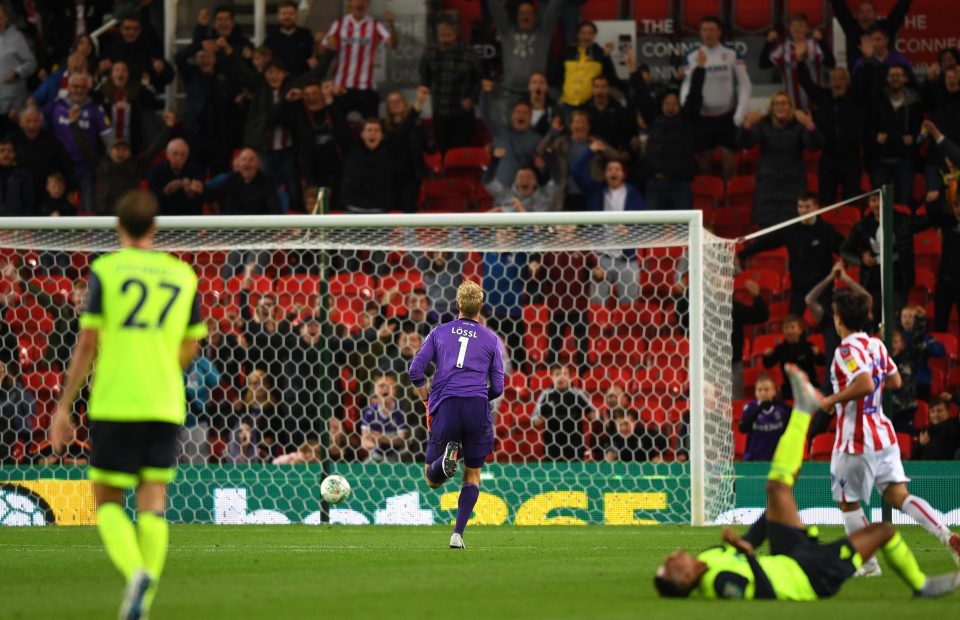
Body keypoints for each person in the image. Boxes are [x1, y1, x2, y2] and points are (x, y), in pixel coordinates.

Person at [654, 363, 960, 600]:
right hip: (809, 575)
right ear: (684, 579)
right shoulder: (718, 584)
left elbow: (748, 544)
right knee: (883, 531)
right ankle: (922, 585)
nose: (671, 557)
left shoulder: (707, 558)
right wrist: (747, 552)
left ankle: (802, 409)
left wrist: (761, 529)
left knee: (776, 489)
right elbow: (760, 590)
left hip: (788, 553)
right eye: (670, 566)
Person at [49, 189, 206, 619]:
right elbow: (191, 344)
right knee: (153, 499)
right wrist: (159, 364)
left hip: (116, 398)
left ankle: (134, 571)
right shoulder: (182, 276)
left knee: (106, 500)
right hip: (163, 400)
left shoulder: (107, 271)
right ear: (155, 227)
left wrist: (64, 406)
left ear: (118, 228)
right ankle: (144, 602)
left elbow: (87, 342)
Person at [818, 291, 959, 576]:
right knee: (899, 495)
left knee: (848, 501)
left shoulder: (846, 350)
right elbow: (893, 380)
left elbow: (866, 384)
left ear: (838, 318)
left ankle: (868, 564)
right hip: (883, 434)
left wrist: (832, 400)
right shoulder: (877, 346)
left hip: (855, 439)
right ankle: (948, 536)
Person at [408, 281, 504, 549]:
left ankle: (446, 460)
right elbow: (498, 387)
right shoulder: (491, 339)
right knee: (472, 475)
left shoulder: (440, 332)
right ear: (480, 306)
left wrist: (428, 399)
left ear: (458, 305)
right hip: (477, 406)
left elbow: (415, 371)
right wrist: (479, 398)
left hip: (446, 405)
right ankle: (457, 534)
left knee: (432, 479)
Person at [739, 193, 843, 315]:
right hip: (799, 288)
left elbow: (844, 248)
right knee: (793, 323)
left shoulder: (826, 230)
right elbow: (766, 243)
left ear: (816, 207)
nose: (803, 211)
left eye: (807, 207)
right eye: (800, 207)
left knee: (826, 324)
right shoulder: (791, 229)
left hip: (822, 288)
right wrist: (742, 255)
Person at [681, 15, 752, 180]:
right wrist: (687, 109)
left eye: (712, 30)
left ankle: (731, 200)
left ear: (719, 32)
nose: (708, 33)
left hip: (727, 117)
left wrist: (739, 114)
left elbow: (745, 84)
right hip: (702, 119)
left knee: (730, 163)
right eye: (705, 30)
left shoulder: (731, 54)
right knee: (704, 165)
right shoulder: (691, 56)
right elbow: (686, 85)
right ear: (700, 33)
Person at [796, 44, 868, 203]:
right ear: (829, 82)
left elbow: (866, 78)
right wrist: (800, 61)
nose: (838, 82)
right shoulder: (823, 97)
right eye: (834, 79)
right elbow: (805, 82)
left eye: (842, 78)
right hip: (828, 157)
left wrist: (867, 59)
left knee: (852, 200)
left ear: (848, 81)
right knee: (825, 201)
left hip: (851, 157)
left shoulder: (856, 98)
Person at [637, 49, 705, 211]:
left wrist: (701, 69)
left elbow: (695, 95)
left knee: (684, 230)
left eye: (674, 102)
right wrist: (633, 71)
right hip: (655, 183)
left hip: (680, 184)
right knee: (654, 228)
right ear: (661, 104)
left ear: (679, 105)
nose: (670, 105)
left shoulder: (687, 120)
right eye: (667, 102)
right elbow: (642, 96)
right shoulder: (654, 119)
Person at [740, 93, 822, 228]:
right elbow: (745, 143)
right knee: (767, 235)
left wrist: (809, 125)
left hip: (793, 187)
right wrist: (747, 125)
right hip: (768, 189)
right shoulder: (763, 124)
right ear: (771, 107)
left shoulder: (799, 126)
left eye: (784, 103)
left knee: (792, 234)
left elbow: (814, 146)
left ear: (791, 107)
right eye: (777, 104)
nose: (781, 107)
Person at [42, 72, 112, 213]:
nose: (78, 90)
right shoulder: (57, 105)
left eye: (82, 87)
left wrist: (109, 162)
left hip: (86, 167)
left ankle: (91, 235)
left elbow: (109, 136)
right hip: (61, 168)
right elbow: (37, 118)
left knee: (88, 209)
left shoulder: (95, 108)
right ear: (68, 87)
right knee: (61, 209)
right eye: (75, 86)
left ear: (87, 89)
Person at [322, 0, 398, 118]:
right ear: (350, 3)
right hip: (341, 86)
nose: (360, 3)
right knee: (339, 128)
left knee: (372, 125)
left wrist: (392, 25)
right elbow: (323, 48)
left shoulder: (374, 24)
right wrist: (328, 43)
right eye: (356, 0)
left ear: (368, 4)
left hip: (366, 87)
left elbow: (392, 44)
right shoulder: (339, 24)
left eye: (364, 0)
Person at [918, 121, 960, 332]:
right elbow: (933, 211)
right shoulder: (948, 220)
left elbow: (954, 154)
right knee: (940, 327)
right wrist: (938, 195)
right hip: (945, 282)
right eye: (957, 206)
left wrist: (936, 133)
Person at [483, 0, 564, 105]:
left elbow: (554, 9)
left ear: (535, 16)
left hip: (535, 92)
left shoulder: (544, 34)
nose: (525, 16)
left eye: (529, 13)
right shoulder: (506, 32)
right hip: (509, 92)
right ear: (517, 16)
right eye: (522, 13)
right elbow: (496, 9)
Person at [418, 21, 480, 154]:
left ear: (456, 34)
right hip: (440, 110)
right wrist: (424, 90)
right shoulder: (430, 52)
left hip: (462, 111)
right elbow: (424, 76)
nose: (445, 39)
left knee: (464, 150)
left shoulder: (468, 52)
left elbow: (480, 79)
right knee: (443, 150)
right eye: (442, 35)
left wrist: (472, 98)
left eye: (448, 35)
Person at [866, 63, 922, 206]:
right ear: (887, 78)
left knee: (904, 202)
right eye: (892, 75)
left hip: (905, 159)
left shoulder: (915, 102)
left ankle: (902, 229)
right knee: (881, 204)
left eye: (898, 75)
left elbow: (919, 130)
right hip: (880, 159)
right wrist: (875, 136)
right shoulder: (877, 100)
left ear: (905, 78)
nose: (895, 79)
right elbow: (868, 128)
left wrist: (914, 138)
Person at [760, 14, 834, 112]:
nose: (797, 29)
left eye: (801, 26)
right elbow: (763, 64)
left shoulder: (815, 46)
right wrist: (768, 42)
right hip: (792, 107)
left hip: (815, 105)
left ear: (807, 29)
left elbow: (831, 63)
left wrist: (822, 41)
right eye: (794, 26)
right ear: (789, 29)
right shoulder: (783, 48)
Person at [480, 78, 541, 189]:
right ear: (512, 116)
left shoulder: (536, 139)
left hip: (525, 193)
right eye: (518, 112)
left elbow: (541, 168)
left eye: (525, 112)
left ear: (531, 118)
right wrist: (486, 93)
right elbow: (486, 115)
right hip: (501, 193)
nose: (521, 115)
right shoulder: (499, 132)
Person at [10, 106, 74, 206]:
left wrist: (71, 189)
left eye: (36, 121)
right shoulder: (11, 141)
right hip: (19, 195)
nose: (32, 125)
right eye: (28, 121)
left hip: (47, 197)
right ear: (21, 123)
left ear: (41, 123)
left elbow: (66, 165)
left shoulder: (52, 141)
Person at [531, 365, 594, 461]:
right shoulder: (546, 394)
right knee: (553, 473)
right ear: (552, 377)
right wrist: (537, 421)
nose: (561, 377)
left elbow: (593, 413)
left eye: (564, 374)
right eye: (557, 374)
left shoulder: (577, 393)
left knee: (575, 472)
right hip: (552, 443)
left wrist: (593, 416)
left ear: (569, 377)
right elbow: (534, 418)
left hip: (575, 443)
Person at [559, 20, 623, 112]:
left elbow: (610, 77)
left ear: (595, 35)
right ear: (577, 34)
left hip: (590, 104)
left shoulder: (600, 53)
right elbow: (558, 75)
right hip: (568, 103)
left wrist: (606, 57)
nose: (586, 36)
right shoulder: (568, 52)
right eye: (583, 33)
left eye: (590, 33)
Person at [831, 0, 913, 71]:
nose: (865, 15)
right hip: (858, 81)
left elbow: (900, 10)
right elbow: (840, 9)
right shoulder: (851, 29)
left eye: (868, 11)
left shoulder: (886, 28)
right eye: (862, 12)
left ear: (875, 14)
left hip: (885, 81)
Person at [383, 88, 428, 213]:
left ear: (404, 103)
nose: (395, 104)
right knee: (392, 212)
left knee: (408, 210)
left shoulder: (417, 125)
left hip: (412, 175)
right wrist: (417, 105)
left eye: (398, 101)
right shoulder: (383, 127)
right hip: (391, 176)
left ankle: (408, 233)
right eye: (391, 102)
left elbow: (428, 147)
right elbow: (400, 135)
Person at [535, 111, 591, 210]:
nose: (580, 126)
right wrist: (553, 132)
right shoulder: (562, 142)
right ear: (571, 125)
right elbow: (540, 150)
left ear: (589, 126)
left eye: (583, 122)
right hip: (566, 195)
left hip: (590, 196)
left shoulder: (595, 144)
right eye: (577, 122)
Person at [203, 148, 282, 215]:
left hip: (258, 228)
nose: (247, 164)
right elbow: (213, 195)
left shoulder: (267, 183)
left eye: (251, 160)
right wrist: (201, 190)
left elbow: (276, 211)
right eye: (243, 160)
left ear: (258, 164)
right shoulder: (232, 179)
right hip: (235, 227)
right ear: (239, 164)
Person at [762, 315, 823, 399]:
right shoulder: (781, 348)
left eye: (792, 327)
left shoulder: (808, 346)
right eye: (786, 328)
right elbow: (768, 364)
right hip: (789, 388)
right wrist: (766, 356)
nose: (789, 331)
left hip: (808, 386)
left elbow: (822, 362)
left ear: (800, 330)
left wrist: (818, 354)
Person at [483, 147, 557, 213]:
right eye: (521, 177)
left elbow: (537, 224)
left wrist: (519, 208)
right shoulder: (506, 194)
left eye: (529, 177)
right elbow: (488, 181)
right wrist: (495, 160)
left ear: (535, 181)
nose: (524, 180)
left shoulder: (543, 197)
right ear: (515, 181)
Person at [0, 6, 37, 132]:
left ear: (5, 18)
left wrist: (17, 73)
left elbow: (32, 63)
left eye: (0, 17)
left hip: (14, 103)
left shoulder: (16, 37)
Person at [360, 374, 411, 462]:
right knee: (365, 468)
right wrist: (371, 443)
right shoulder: (369, 412)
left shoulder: (400, 410)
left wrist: (379, 437)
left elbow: (402, 440)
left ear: (394, 390)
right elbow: (365, 440)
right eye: (381, 386)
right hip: (376, 454)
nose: (385, 388)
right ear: (375, 390)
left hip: (397, 455)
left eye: (388, 386)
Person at [148, 138, 205, 216]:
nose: (179, 158)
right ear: (167, 154)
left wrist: (192, 194)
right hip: (165, 218)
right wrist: (165, 192)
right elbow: (150, 202)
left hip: (189, 219)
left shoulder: (195, 171)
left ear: (187, 156)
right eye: (175, 154)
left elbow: (203, 199)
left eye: (183, 155)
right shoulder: (156, 172)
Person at [263, 1, 314, 78]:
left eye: (291, 14)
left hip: (302, 80)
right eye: (283, 14)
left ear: (296, 15)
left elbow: (312, 59)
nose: (287, 17)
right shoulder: (271, 38)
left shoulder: (306, 35)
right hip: (279, 81)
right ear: (278, 16)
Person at [581, 75, 632, 151]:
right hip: (589, 148)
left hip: (611, 149)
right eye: (597, 87)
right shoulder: (584, 109)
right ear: (592, 89)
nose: (600, 90)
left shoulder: (619, 109)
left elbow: (624, 134)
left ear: (608, 89)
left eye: (603, 87)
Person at [0, 136, 33, 215]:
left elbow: (29, 203)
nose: (6, 153)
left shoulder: (24, 175)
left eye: (9, 150)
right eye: (2, 150)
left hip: (18, 224)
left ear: (14, 154)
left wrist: (26, 224)